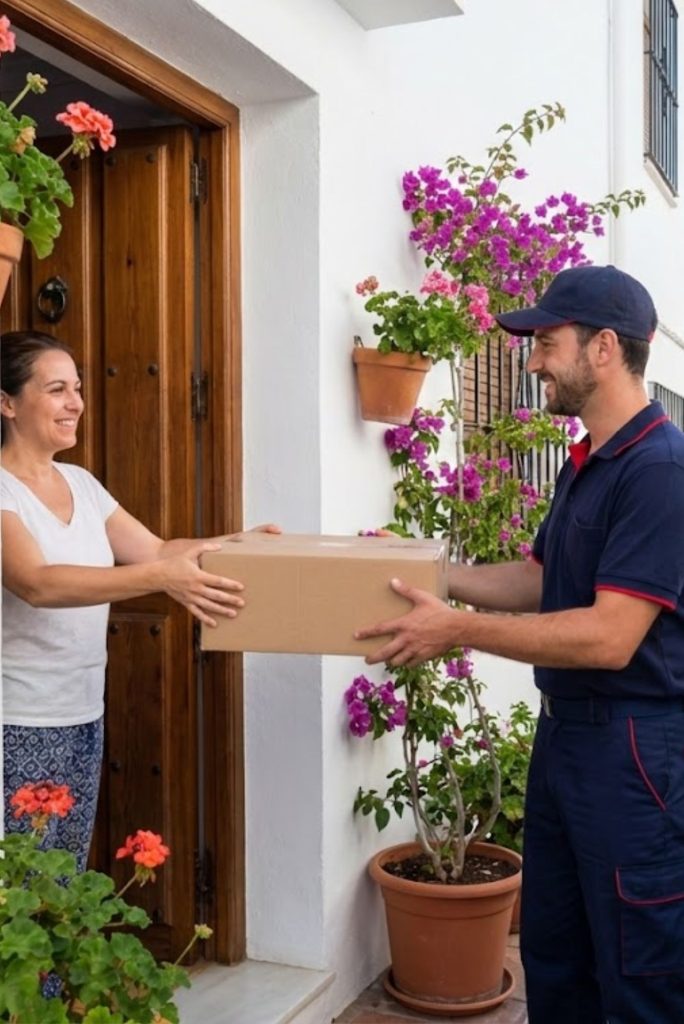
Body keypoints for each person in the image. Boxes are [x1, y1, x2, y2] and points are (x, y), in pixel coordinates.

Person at [356, 265, 684, 1024]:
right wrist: (431, 576)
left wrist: (456, 630)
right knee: (557, 956)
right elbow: (539, 579)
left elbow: (609, 637)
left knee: (640, 971)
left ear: (605, 348)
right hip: (567, 741)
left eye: (546, 342)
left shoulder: (659, 472)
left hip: (633, 754)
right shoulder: (588, 464)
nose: (532, 360)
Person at [1, 330, 278, 870]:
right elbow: (37, 582)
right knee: (15, 893)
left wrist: (240, 545)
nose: (76, 402)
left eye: (77, 388)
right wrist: (161, 578)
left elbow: (155, 549)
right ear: (7, 403)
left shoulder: (80, 483)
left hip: (82, 713)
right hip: (17, 720)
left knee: (60, 886)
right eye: (56, 389)